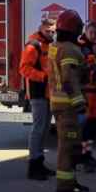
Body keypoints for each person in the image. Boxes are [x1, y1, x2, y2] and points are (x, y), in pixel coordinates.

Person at [47, 9, 90, 192]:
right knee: (68, 147)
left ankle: (71, 182)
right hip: (68, 105)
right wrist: (79, 102)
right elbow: (69, 78)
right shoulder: (70, 49)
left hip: (58, 103)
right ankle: (65, 188)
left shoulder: (55, 47)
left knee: (70, 145)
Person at [20, 11, 54, 181]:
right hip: (37, 93)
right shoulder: (33, 45)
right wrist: (44, 77)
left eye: (53, 31)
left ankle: (40, 163)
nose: (51, 34)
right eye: (48, 31)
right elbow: (24, 68)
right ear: (41, 28)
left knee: (45, 128)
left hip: (48, 93)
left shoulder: (49, 45)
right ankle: (33, 166)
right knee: (38, 128)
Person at [78, 23, 96, 171]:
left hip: (95, 93)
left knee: (93, 127)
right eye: (92, 32)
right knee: (85, 128)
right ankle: (82, 158)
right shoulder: (80, 46)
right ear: (86, 32)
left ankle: (88, 155)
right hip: (85, 93)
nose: (94, 35)